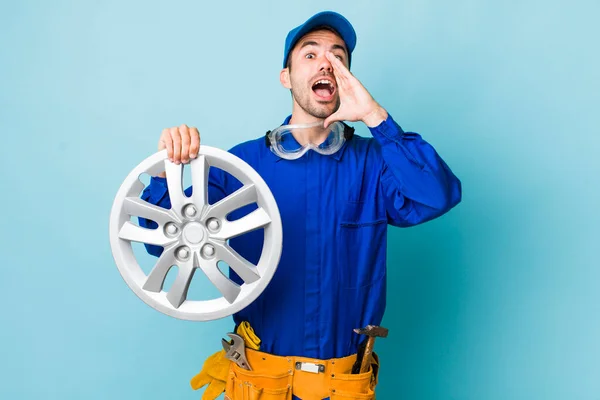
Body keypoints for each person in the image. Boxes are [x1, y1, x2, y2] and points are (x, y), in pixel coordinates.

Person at [140, 10, 462, 400]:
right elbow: (167, 246)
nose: (326, 61)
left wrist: (376, 116)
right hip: (261, 385)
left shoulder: (375, 164)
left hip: (344, 388)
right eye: (310, 54)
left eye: (338, 56)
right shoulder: (240, 168)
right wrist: (164, 173)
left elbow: (438, 194)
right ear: (286, 77)